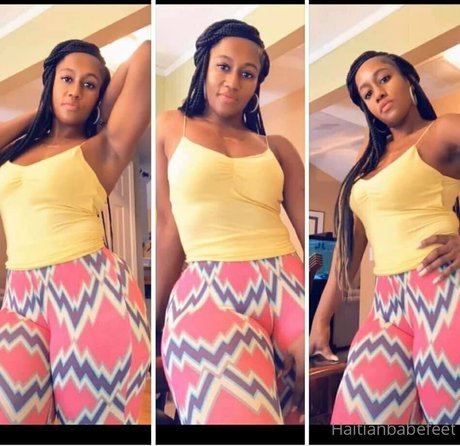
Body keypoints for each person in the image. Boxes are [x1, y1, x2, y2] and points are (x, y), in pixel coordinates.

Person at [156, 19, 305, 425]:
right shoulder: (170, 126)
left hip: (288, 287)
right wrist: (156, 322)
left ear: (257, 83)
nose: (233, 81)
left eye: (247, 73)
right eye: (223, 66)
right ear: (204, 66)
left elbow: (312, 239)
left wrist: (319, 313)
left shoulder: (278, 148)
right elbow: (168, 227)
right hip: (208, 290)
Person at [0, 38, 151, 424]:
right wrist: (39, 115)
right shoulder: (16, 151)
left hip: (90, 294)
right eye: (66, 79)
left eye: (89, 84)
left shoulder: (103, 147)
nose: (75, 91)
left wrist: (101, 104)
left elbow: (147, 52)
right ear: (50, 82)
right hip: (20, 297)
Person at [309, 50, 460, 424]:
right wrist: (321, 319)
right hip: (388, 304)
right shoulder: (367, 157)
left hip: (443, 289)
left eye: (384, 78)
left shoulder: (442, 131)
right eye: (366, 92)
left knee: (448, 416)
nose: (377, 92)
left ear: (409, 79)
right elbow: (351, 244)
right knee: (356, 415)